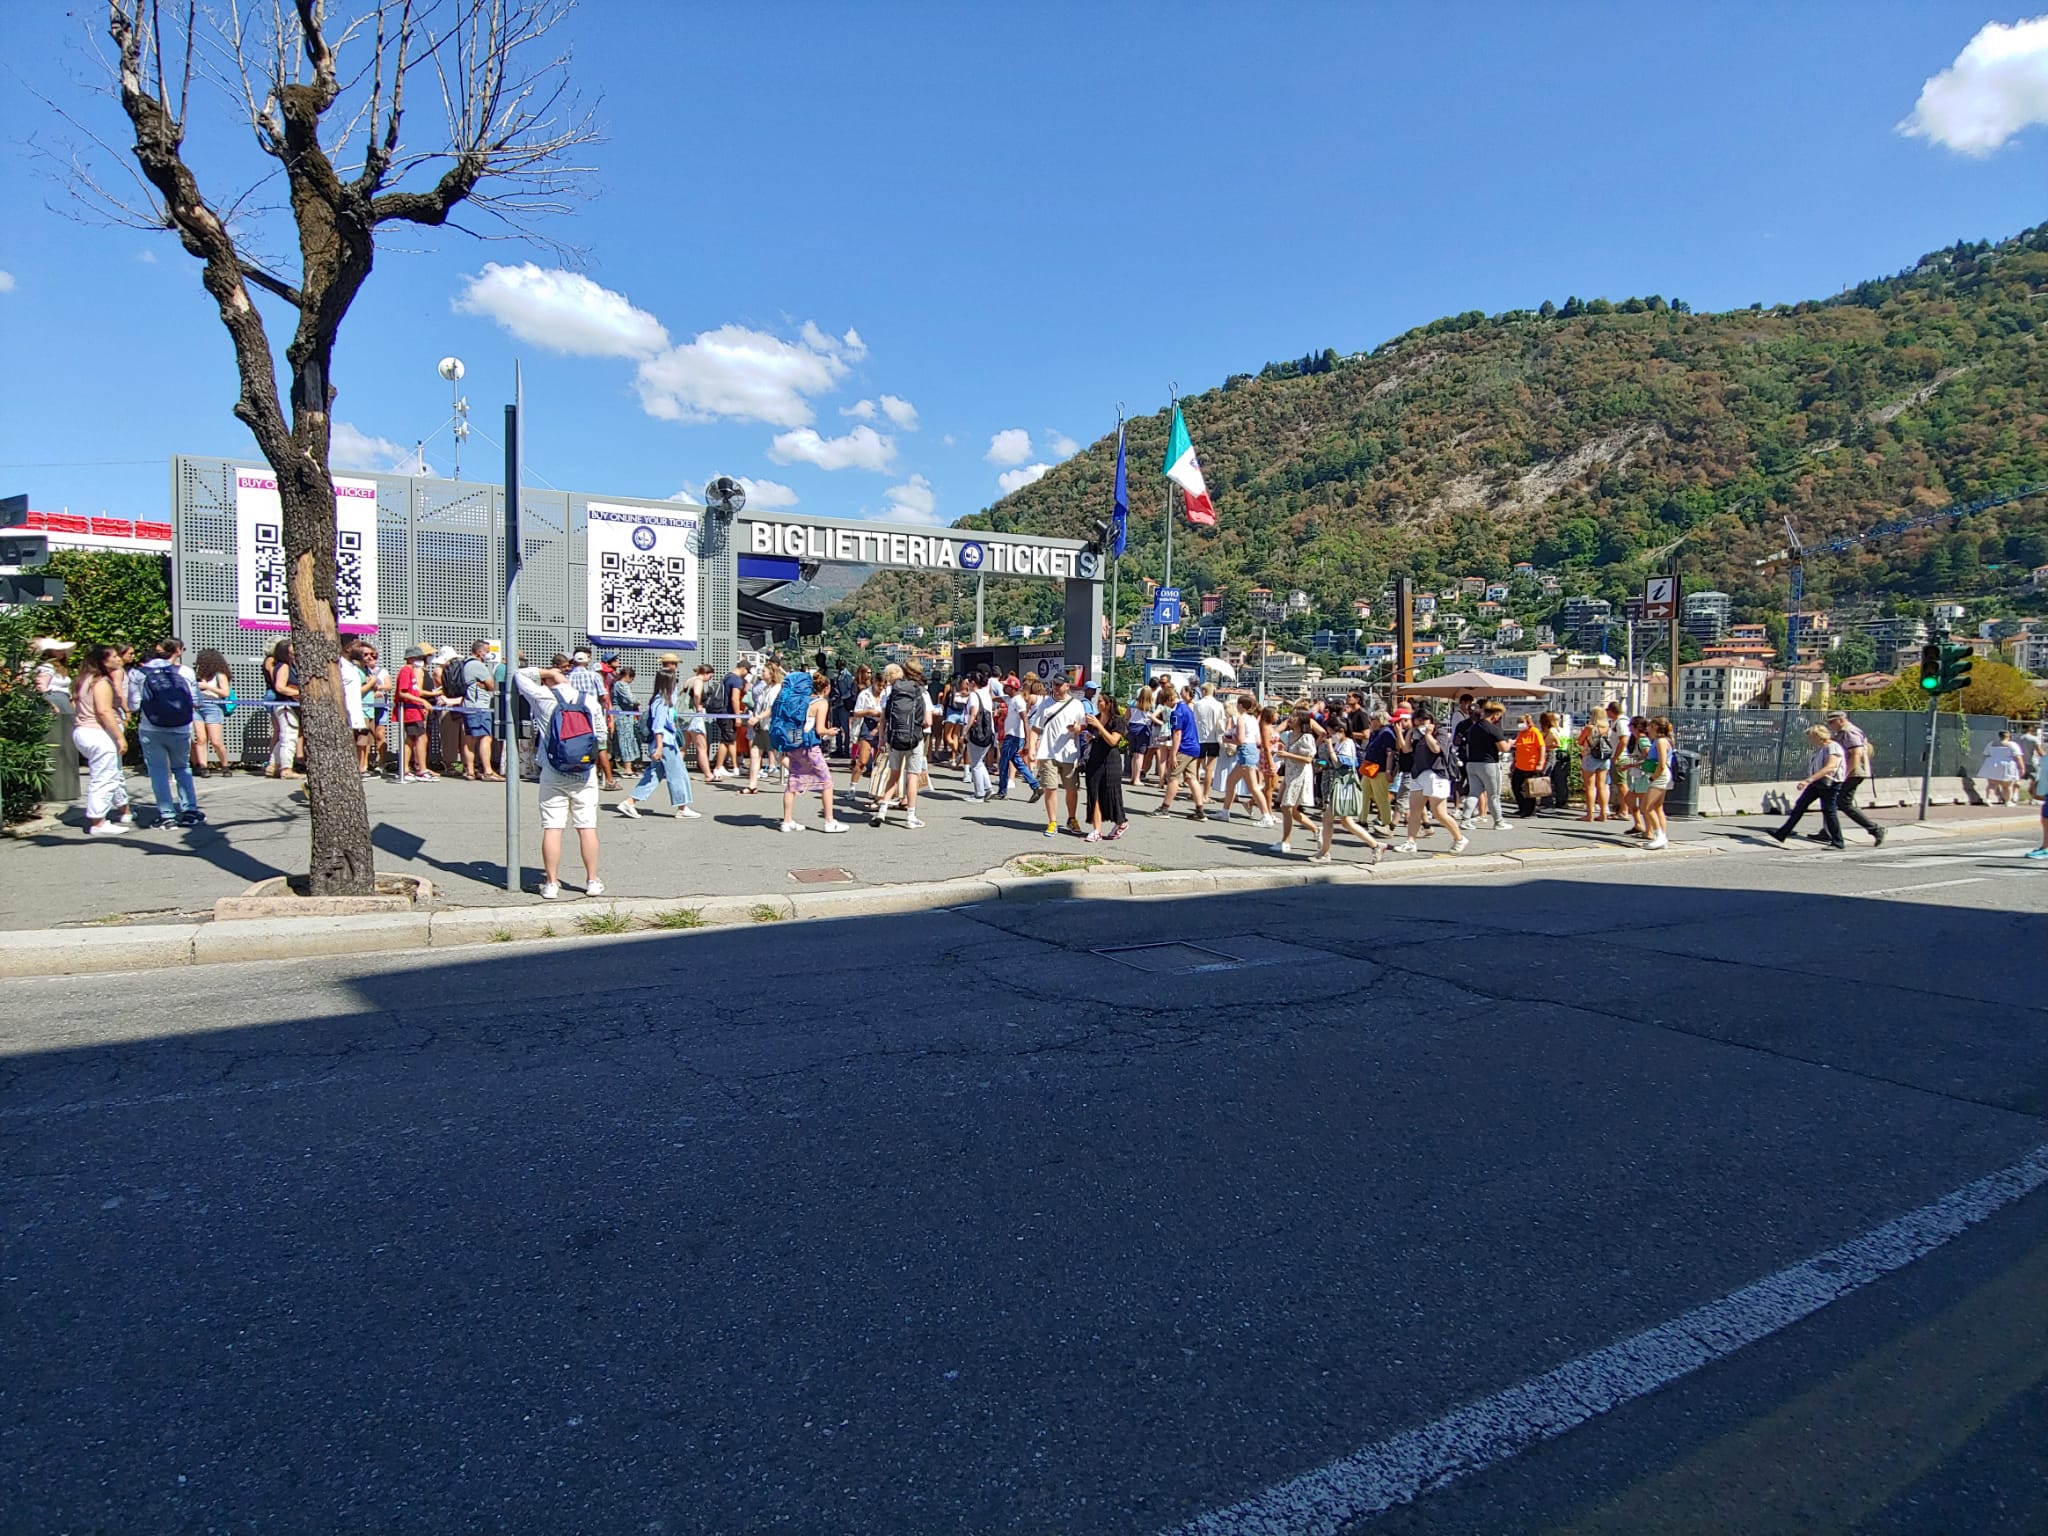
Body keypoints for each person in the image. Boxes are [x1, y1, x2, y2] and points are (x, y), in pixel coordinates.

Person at [513, 654, 605, 900]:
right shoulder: (590, 702)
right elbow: (602, 736)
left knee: (552, 827)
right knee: (587, 827)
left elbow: (519, 675)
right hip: (584, 772)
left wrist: (550, 673)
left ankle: (551, 883)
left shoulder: (544, 697)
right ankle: (592, 880)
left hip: (553, 770)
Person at [132, 637, 202, 827]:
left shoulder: (139, 673)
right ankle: (190, 811)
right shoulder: (185, 672)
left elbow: (133, 704)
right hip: (181, 728)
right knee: (182, 768)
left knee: (158, 772)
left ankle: (167, 815)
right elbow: (196, 701)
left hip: (151, 728)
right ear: (176, 651)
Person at [1309, 707, 1389, 865]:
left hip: (1345, 785)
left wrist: (1330, 749)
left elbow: (1342, 764)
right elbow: (1334, 764)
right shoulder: (1342, 743)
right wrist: (1319, 763)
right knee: (1344, 821)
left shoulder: (1347, 744)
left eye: (1331, 731)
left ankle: (1325, 852)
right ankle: (1375, 845)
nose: (1329, 735)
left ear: (1339, 730)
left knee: (1333, 820)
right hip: (1341, 784)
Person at [619, 671, 702, 820]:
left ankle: (630, 802)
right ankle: (682, 807)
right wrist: (658, 747)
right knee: (677, 774)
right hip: (665, 743)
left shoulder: (661, 700)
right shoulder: (662, 701)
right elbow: (658, 727)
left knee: (655, 775)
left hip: (665, 742)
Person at [71, 644, 132, 835]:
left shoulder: (83, 679)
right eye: (112, 656)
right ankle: (98, 822)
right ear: (102, 661)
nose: (117, 659)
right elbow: (104, 712)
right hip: (96, 733)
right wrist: (120, 737)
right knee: (104, 778)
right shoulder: (101, 682)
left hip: (82, 731)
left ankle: (102, 816)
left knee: (103, 775)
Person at [777, 669, 848, 833]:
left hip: (795, 743)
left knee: (793, 781)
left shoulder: (800, 701)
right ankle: (829, 821)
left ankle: (787, 821)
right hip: (810, 746)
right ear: (827, 687)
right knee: (826, 782)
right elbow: (820, 729)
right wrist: (831, 732)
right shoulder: (821, 703)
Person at [870, 662, 933, 828]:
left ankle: (882, 810)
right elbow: (928, 721)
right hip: (914, 739)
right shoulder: (922, 692)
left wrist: (883, 738)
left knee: (894, 775)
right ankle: (910, 816)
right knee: (912, 775)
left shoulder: (893, 690)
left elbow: (884, 717)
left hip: (894, 738)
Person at [1399, 706, 1467, 853]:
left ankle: (1459, 838)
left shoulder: (1440, 732)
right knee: (1414, 810)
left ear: (1431, 720)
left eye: (1424, 720)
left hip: (1436, 774)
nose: (1421, 723)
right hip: (1418, 774)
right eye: (1418, 721)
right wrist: (1409, 732)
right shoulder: (1417, 734)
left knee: (1439, 813)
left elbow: (1437, 749)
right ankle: (1410, 841)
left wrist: (1429, 734)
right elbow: (1406, 749)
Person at [1028, 672, 1088, 836]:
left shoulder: (1076, 705)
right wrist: (1032, 748)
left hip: (1069, 752)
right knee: (1051, 788)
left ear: (1067, 686)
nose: (1055, 687)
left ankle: (1072, 818)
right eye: (1054, 684)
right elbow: (1035, 728)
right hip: (1048, 752)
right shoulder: (1045, 704)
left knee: (1071, 789)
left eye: (1059, 684)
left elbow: (1083, 726)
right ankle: (1052, 821)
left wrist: (1078, 729)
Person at [1770, 724, 1846, 849]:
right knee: (1800, 806)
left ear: (1818, 737)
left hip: (1829, 783)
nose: (1809, 740)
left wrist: (1808, 780)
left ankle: (1838, 841)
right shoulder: (1822, 748)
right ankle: (1781, 833)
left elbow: (1830, 767)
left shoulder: (1833, 747)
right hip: (1818, 782)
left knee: (1829, 811)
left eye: (1811, 737)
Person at [1823, 710, 1884, 847]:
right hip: (1849, 772)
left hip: (1853, 773)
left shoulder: (1849, 732)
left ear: (1840, 720)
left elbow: (1856, 754)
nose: (1830, 725)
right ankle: (1827, 831)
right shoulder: (1843, 732)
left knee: (1843, 803)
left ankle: (1875, 829)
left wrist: (1844, 776)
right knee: (1830, 799)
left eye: (1832, 722)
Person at [1271, 705, 1321, 855]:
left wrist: (1288, 755)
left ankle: (1285, 841)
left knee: (1287, 807)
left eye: (1294, 716)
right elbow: (1276, 733)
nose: (1290, 719)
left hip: (1300, 774)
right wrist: (1281, 748)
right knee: (1290, 809)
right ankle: (1316, 829)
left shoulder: (1307, 737)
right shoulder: (1290, 735)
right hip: (1291, 773)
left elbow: (1308, 758)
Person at [1078, 693, 1129, 841]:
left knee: (1110, 793)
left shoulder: (1117, 721)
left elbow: (1113, 741)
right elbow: (1091, 733)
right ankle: (1097, 830)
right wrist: (1089, 735)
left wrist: (1099, 726)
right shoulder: (1096, 718)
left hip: (1111, 761)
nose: (1097, 703)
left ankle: (1122, 821)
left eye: (1100, 701)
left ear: (1108, 704)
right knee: (1094, 793)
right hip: (1095, 758)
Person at [567, 649, 616, 790]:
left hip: (576, 714)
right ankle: (609, 780)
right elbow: (603, 695)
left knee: (580, 745)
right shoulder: (593, 676)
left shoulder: (569, 677)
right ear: (587, 661)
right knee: (601, 746)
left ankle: (581, 779)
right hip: (594, 712)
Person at [455, 641, 502, 781]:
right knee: (485, 738)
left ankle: (469, 770)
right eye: (487, 651)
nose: (488, 654)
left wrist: (483, 684)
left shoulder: (465, 664)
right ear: (479, 652)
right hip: (480, 706)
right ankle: (488, 770)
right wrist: (484, 685)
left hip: (468, 705)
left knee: (469, 739)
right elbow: (492, 685)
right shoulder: (478, 665)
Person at [1161, 683, 1208, 819]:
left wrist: (1173, 754)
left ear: (1169, 699)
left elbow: (1178, 733)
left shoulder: (1177, 712)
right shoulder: (1186, 708)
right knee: (1191, 778)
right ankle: (1200, 810)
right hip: (1194, 746)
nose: (1165, 705)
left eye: (1164, 701)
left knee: (1173, 777)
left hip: (1184, 747)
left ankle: (1165, 808)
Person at [394, 644, 437, 782]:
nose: (422, 660)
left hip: (415, 710)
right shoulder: (406, 671)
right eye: (420, 658)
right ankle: (422, 769)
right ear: (412, 658)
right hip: (410, 710)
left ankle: (406, 769)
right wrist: (422, 701)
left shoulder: (411, 671)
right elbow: (402, 692)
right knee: (419, 738)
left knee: (412, 739)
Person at [1463, 701, 1508, 829]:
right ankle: (1498, 822)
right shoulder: (1492, 728)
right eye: (1499, 716)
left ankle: (1465, 819)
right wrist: (1510, 743)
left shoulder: (1473, 727)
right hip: (1488, 764)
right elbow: (1503, 748)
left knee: (1473, 793)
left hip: (1472, 763)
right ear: (1495, 715)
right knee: (1493, 794)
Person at [189, 647, 234, 776]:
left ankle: (225, 765)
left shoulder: (219, 675)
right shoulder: (198, 675)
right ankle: (203, 766)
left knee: (216, 741)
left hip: (213, 706)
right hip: (198, 706)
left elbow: (225, 692)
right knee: (201, 738)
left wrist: (207, 686)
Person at [997, 675, 1042, 801]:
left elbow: (1025, 720)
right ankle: (1035, 785)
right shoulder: (1011, 699)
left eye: (1006, 686)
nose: (1004, 688)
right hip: (1012, 736)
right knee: (1018, 763)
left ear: (1012, 688)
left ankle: (1002, 790)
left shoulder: (1018, 701)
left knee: (1004, 762)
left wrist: (1027, 741)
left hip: (1014, 736)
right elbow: (998, 698)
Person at [742, 658, 784, 794]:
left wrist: (757, 718)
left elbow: (772, 708)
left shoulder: (776, 689)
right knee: (755, 753)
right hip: (762, 726)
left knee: (780, 756)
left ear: (772, 673)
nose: (762, 672)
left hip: (771, 726)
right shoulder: (766, 688)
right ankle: (752, 785)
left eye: (764, 671)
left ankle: (800, 777)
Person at [263, 639, 302, 779]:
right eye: (292, 652)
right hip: (285, 704)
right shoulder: (284, 666)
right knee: (289, 735)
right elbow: (280, 687)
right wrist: (299, 693)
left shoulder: (288, 665)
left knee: (283, 736)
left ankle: (273, 765)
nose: (295, 654)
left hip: (286, 704)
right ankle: (286, 768)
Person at [1639, 717, 1675, 851]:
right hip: (1663, 775)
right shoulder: (1664, 741)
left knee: (1646, 807)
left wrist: (1653, 778)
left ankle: (1658, 836)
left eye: (1649, 726)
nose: (1647, 729)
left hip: (1660, 775)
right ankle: (1662, 837)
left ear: (1655, 727)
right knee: (1658, 807)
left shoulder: (1660, 742)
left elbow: (1661, 763)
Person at [961, 669, 997, 801]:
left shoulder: (974, 695)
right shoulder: (986, 694)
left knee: (975, 764)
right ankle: (988, 789)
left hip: (977, 732)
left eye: (968, 681)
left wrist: (965, 731)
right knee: (979, 762)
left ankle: (979, 793)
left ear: (973, 682)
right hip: (989, 731)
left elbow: (974, 713)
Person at [339, 640, 372, 775]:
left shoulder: (353, 666)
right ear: (347, 648)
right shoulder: (339, 665)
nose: (361, 650)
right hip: (343, 714)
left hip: (354, 714)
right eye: (358, 647)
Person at [712, 658, 749, 778]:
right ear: (743, 669)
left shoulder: (727, 677)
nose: (747, 674)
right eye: (747, 671)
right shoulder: (736, 680)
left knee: (729, 739)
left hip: (721, 712)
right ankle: (718, 767)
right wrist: (737, 716)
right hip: (728, 714)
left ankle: (733, 766)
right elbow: (734, 698)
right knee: (726, 740)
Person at [1577, 710, 1613, 823]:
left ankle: (1590, 814)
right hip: (1604, 758)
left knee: (1590, 787)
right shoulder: (1608, 727)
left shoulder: (1590, 728)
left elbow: (1580, 741)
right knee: (1602, 785)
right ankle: (1603, 813)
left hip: (1591, 756)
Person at [1509, 713, 1547, 818]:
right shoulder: (1521, 733)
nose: (1520, 725)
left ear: (1528, 723)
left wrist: (1540, 762)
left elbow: (1542, 747)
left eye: (1522, 722)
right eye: (1518, 722)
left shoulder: (1534, 732)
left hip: (1531, 765)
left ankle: (1530, 811)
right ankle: (1522, 808)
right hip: (1519, 765)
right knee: (1516, 786)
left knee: (1530, 789)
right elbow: (1518, 747)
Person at [1980, 729, 2026, 805]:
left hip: (1993, 764)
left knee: (1992, 784)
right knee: (2007, 785)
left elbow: (1986, 753)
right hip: (2006, 765)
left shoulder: (1991, 743)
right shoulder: (2012, 744)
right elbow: (2018, 756)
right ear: (2008, 736)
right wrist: (2022, 767)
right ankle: (2008, 801)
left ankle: (1988, 799)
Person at [609, 666, 641, 777]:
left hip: (620, 714)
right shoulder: (621, 685)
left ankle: (620, 765)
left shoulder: (615, 684)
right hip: (623, 715)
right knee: (626, 739)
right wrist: (637, 701)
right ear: (628, 676)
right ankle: (628, 768)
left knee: (621, 740)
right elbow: (630, 699)